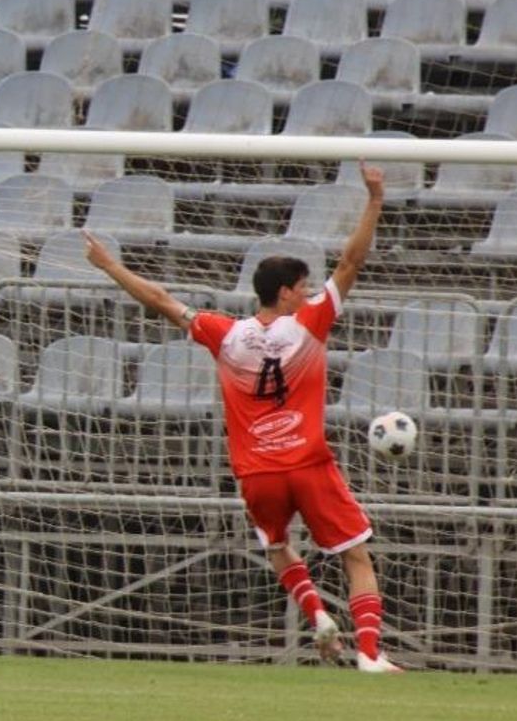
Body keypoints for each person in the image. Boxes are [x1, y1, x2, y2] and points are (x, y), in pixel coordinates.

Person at [82, 162, 402, 674]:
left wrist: (108, 266)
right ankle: (368, 654)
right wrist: (375, 199)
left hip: (257, 471)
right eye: (305, 285)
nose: (311, 290)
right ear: (288, 292)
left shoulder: (225, 334)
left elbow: (161, 300)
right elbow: (352, 260)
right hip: (309, 463)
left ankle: (316, 613)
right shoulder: (309, 326)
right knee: (356, 557)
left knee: (278, 549)